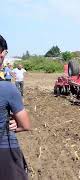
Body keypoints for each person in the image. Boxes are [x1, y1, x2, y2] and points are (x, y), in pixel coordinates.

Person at [0, 35, 31, 179]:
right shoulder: (7, 89)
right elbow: (25, 125)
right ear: (2, 54)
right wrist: (14, 124)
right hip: (4, 150)